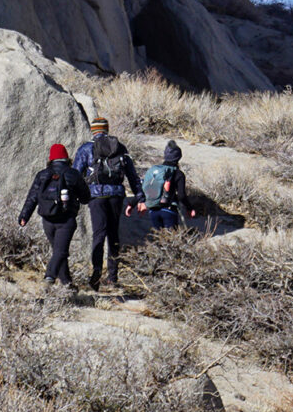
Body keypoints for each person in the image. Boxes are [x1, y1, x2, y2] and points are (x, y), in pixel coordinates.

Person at [73, 117, 142, 290]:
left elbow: (75, 174)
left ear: (93, 130)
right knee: (113, 235)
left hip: (96, 196)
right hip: (117, 195)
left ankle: (96, 273)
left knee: (98, 234)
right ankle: (113, 276)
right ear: (107, 129)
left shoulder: (86, 148)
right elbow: (132, 175)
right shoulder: (119, 148)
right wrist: (139, 197)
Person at [19, 144, 90, 288]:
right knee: (60, 251)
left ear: (51, 159)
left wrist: (24, 216)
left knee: (58, 251)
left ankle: (67, 284)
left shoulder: (42, 174)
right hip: (66, 219)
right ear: (67, 158)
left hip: (47, 219)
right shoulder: (73, 174)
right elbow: (85, 198)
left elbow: (32, 197)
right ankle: (49, 277)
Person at [132, 140, 197, 230]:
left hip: (153, 211)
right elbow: (182, 196)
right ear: (178, 157)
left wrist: (131, 204)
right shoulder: (178, 174)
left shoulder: (155, 171)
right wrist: (189, 208)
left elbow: (143, 189)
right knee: (170, 240)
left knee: (159, 240)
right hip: (169, 210)